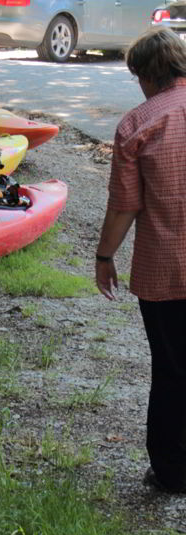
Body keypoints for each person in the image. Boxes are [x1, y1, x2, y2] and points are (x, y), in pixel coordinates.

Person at [95, 27, 186, 493]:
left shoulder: (138, 124)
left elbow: (125, 205)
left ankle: (173, 473)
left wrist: (104, 256)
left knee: (172, 371)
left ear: (144, 75)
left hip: (168, 271)